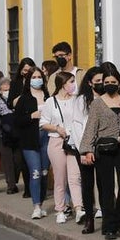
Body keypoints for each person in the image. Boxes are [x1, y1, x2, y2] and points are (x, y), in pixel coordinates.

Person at [80, 63, 120, 240]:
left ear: (119, 83)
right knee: (107, 187)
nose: (110, 84)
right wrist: (86, 150)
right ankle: (109, 225)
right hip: (104, 147)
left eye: (113, 81)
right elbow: (91, 128)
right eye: (107, 81)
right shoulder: (97, 103)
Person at [41, 71, 84, 223]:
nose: (73, 85)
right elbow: (43, 123)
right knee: (60, 178)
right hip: (56, 141)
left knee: (75, 176)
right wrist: (57, 129)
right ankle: (60, 209)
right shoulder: (50, 102)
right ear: (63, 84)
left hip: (73, 142)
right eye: (71, 82)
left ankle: (79, 208)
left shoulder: (77, 100)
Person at [11, 66, 50, 218]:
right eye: (33, 77)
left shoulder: (48, 97)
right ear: (28, 80)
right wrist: (31, 116)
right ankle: (36, 207)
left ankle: (41, 202)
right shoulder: (24, 99)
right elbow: (17, 121)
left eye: (39, 77)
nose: (36, 80)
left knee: (44, 172)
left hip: (47, 138)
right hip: (30, 140)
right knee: (35, 173)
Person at [74, 67, 105, 234]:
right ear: (90, 83)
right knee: (87, 184)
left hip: (104, 147)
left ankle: (106, 216)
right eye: (97, 81)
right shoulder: (81, 101)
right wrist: (85, 150)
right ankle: (89, 219)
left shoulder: (108, 98)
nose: (100, 84)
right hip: (86, 148)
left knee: (103, 183)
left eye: (103, 80)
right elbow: (77, 126)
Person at [0, 77, 22, 195]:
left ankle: (14, 180)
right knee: (7, 160)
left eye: (8, 89)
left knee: (18, 160)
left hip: (17, 133)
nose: (6, 91)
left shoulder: (17, 100)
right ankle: (10, 185)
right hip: (3, 135)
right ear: (0, 90)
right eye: (4, 89)